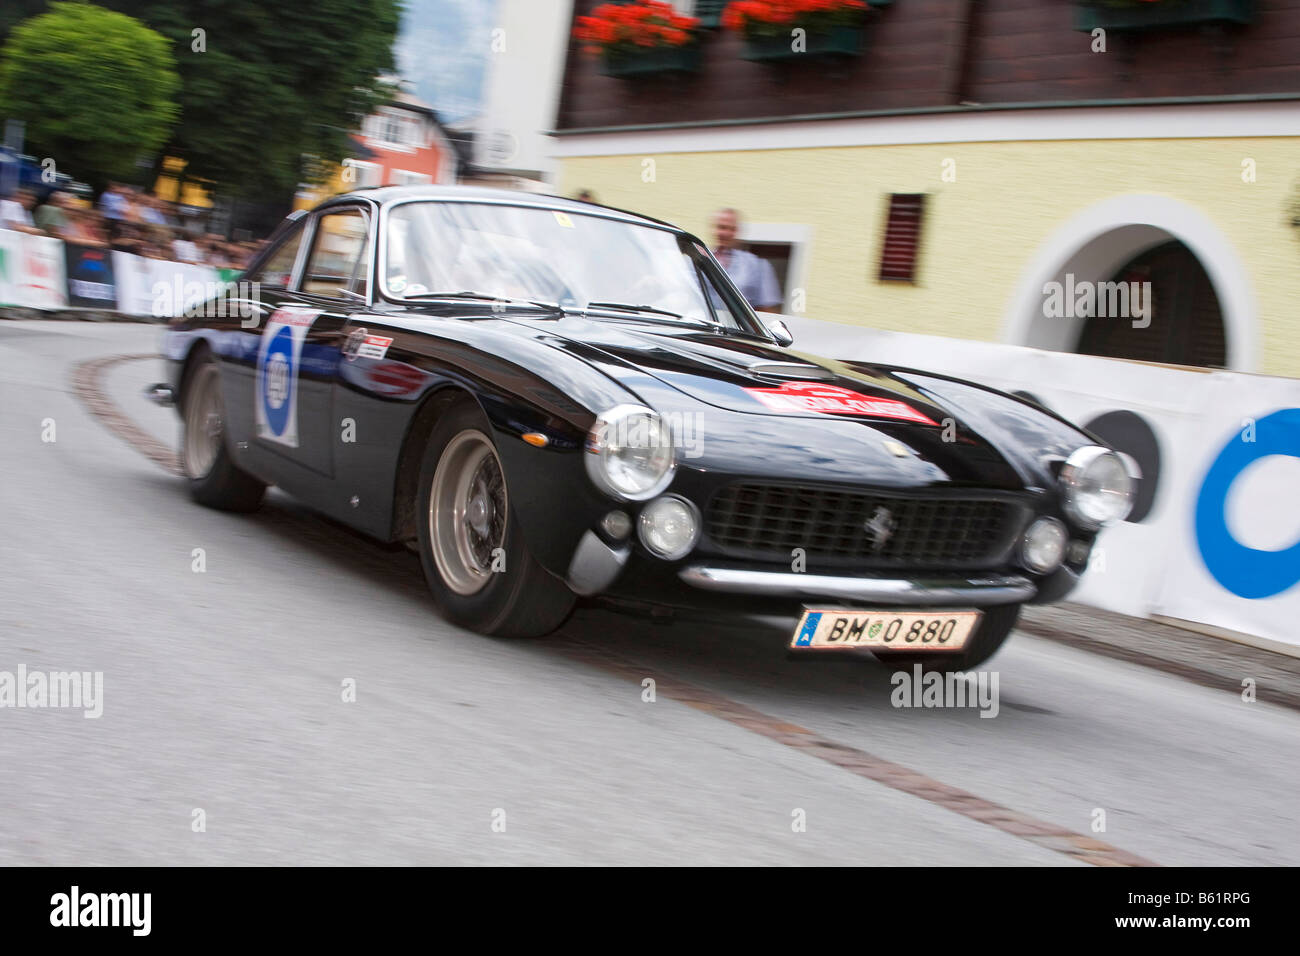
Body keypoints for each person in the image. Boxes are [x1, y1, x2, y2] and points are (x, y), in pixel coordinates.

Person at [710, 207, 781, 313]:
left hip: (738, 328)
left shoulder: (756, 266)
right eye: (722, 227)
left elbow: (768, 311)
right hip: (704, 326)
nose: (725, 233)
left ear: (737, 231)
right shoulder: (698, 260)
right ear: (714, 229)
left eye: (731, 229)